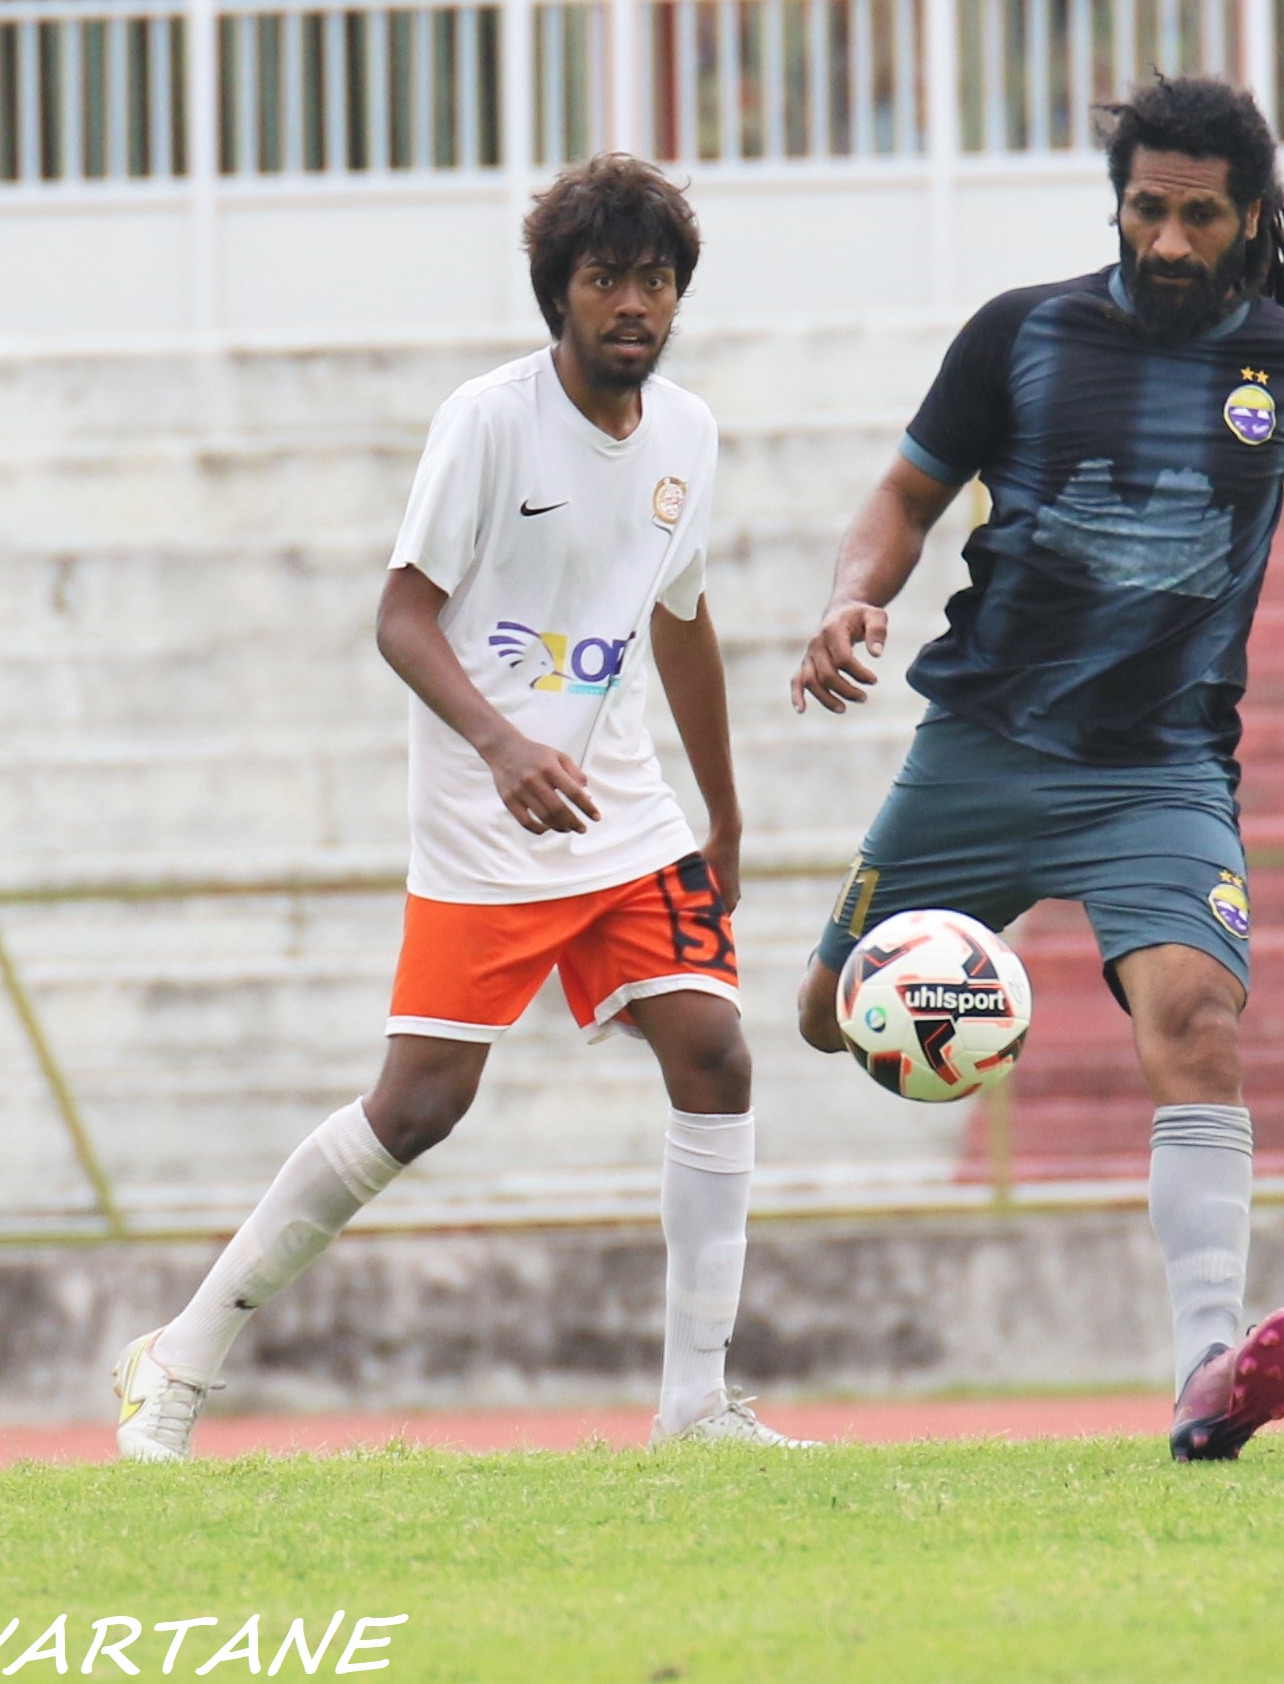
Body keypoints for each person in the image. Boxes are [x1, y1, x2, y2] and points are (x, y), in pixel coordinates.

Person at [787, 73, 1284, 1462]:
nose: (1166, 240)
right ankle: (934, 1012)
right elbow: (905, 493)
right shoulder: (1019, 333)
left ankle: (1207, 1365)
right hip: (982, 745)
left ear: (1251, 215)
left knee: (1199, 1019)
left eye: (1198, 216)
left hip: (1160, 773)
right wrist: (854, 596)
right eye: (1145, 209)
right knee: (821, 1015)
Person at [110, 156, 788, 1457]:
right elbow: (400, 615)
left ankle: (695, 1404)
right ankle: (177, 1354)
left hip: (622, 811)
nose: (633, 303)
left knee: (714, 1049)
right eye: (606, 278)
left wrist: (727, 812)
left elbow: (681, 615)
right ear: (558, 293)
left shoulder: (689, 436)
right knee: (419, 1105)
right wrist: (501, 746)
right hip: (488, 820)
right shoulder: (486, 421)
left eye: (655, 279)